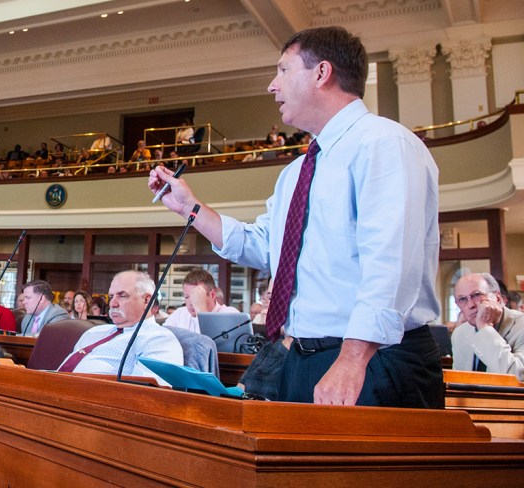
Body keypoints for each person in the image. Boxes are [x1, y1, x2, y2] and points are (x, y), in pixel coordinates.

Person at [149, 25, 444, 408]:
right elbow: (266, 246)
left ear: (321, 73)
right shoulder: (297, 171)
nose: (273, 85)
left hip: (372, 357)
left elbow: (392, 261)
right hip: (305, 357)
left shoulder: (383, 144)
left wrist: (353, 359)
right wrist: (191, 207)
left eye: (283, 71)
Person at [56, 270, 183, 385]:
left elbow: (144, 397)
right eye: (111, 296)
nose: (112, 303)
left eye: (122, 296)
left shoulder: (159, 339)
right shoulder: (94, 331)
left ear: (146, 300)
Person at [451, 273, 524, 380]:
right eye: (462, 299)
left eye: (476, 295)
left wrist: (485, 328)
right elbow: (458, 383)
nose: (471, 305)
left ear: (498, 298)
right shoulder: (459, 334)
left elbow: (518, 378)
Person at [163, 269, 239, 333]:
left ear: (212, 295)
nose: (191, 303)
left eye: (197, 297)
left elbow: (211, 345)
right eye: (187, 297)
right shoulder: (180, 314)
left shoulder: (230, 314)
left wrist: (201, 311)